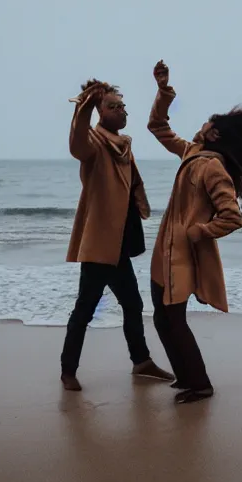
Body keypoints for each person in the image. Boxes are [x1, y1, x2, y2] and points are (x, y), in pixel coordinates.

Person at [147, 60, 242, 404]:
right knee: (161, 318)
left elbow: (232, 216)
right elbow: (157, 126)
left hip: (180, 255)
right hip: (163, 253)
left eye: (207, 122)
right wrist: (164, 91)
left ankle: (201, 384)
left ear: (215, 133)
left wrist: (198, 232)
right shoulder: (193, 152)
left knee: (174, 320)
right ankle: (185, 377)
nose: (202, 122)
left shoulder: (212, 167)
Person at [60, 79, 174, 391]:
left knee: (133, 304)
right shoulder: (94, 144)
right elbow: (76, 143)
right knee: (85, 308)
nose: (121, 111)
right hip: (100, 244)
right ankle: (68, 371)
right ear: (99, 111)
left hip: (120, 244)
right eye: (113, 106)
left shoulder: (123, 144)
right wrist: (84, 105)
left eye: (123, 106)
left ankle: (141, 362)